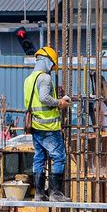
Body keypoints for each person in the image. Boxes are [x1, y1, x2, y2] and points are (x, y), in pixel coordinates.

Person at [24, 46, 71, 202]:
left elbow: (34, 102)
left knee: (39, 158)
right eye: (52, 64)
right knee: (59, 157)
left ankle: (39, 193)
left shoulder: (28, 80)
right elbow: (44, 98)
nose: (52, 68)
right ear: (46, 60)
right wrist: (60, 103)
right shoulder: (45, 78)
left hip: (36, 127)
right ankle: (55, 193)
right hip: (48, 127)